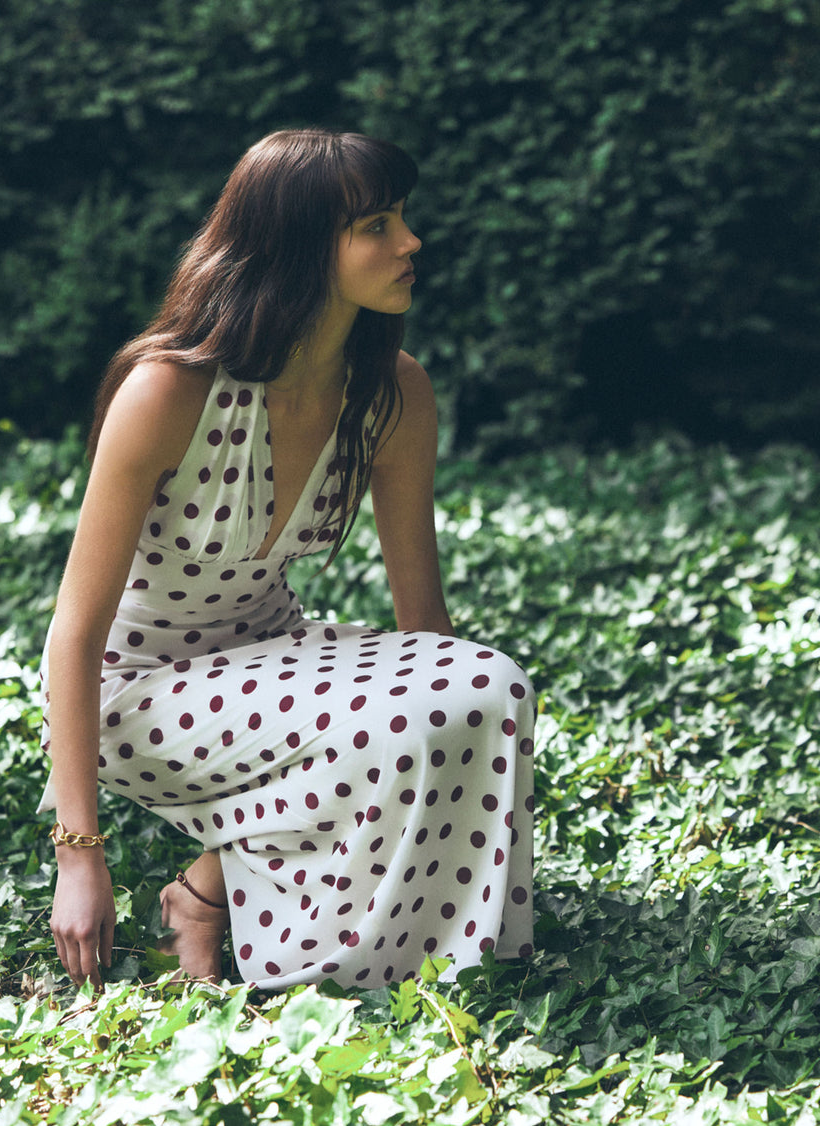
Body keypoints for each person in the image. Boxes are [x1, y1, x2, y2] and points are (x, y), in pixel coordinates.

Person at [38, 127, 535, 991]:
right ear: (301, 248)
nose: (410, 243)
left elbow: (427, 625)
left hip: (273, 655)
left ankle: (212, 894)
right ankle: (320, 970)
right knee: (398, 721)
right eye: (376, 225)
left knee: (490, 684)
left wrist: (454, 711)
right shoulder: (167, 391)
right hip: (139, 690)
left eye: (402, 219)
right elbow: (75, 634)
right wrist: (79, 855)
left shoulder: (393, 391)